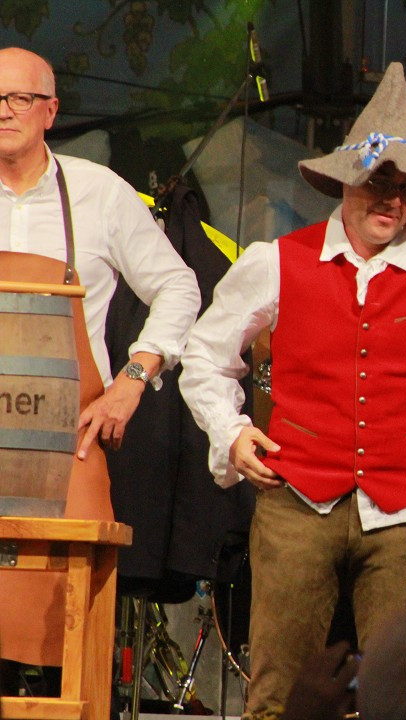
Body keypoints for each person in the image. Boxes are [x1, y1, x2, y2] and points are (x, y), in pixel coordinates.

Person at [179, 62, 406, 720]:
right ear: (346, 183)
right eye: (378, 183)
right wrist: (232, 430)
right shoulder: (279, 260)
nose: (391, 200)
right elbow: (204, 355)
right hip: (297, 500)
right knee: (278, 691)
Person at [0, 47, 199, 669]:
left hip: (68, 442)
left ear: (51, 111)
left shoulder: (98, 193)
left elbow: (178, 287)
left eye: (19, 98)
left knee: (69, 634)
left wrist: (133, 380)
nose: (4, 111)